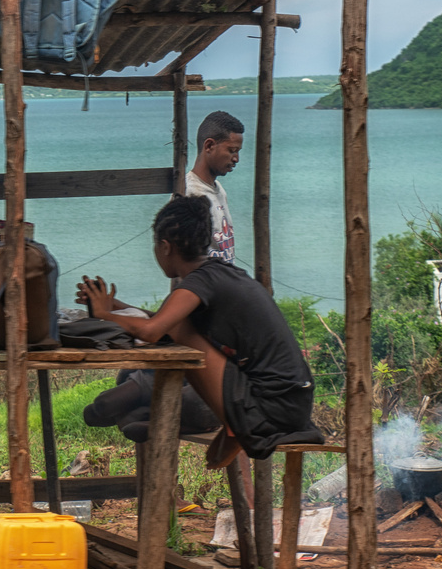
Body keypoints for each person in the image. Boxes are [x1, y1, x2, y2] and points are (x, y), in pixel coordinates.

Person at [77, 195, 319, 469]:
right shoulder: (219, 273)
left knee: (181, 335)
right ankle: (235, 426)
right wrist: (116, 307)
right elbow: (166, 321)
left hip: (272, 408)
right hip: (293, 402)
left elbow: (154, 331)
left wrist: (103, 315)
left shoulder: (200, 281)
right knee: (180, 328)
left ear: (165, 247)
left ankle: (236, 428)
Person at [184, 111, 242, 264]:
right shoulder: (190, 194)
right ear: (209, 146)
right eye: (232, 150)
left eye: (237, 152)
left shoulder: (219, 190)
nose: (236, 159)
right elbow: (184, 261)